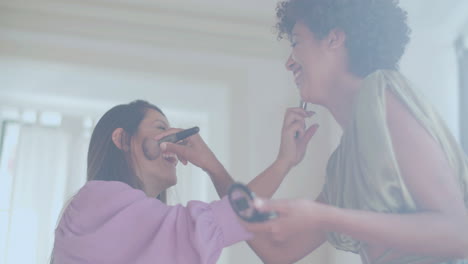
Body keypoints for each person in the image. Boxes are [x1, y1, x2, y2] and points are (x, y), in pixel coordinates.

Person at [212, 0, 467, 263]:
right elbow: (279, 253)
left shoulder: (383, 94)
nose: (289, 63)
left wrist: (323, 215)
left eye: (296, 42)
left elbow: (459, 234)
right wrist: (216, 168)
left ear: (334, 38)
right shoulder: (343, 164)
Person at [51, 100, 318, 264]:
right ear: (121, 139)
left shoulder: (138, 223)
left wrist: (214, 168)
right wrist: (284, 162)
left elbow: (224, 222)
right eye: (159, 127)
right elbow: (223, 221)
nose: (173, 138)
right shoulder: (97, 199)